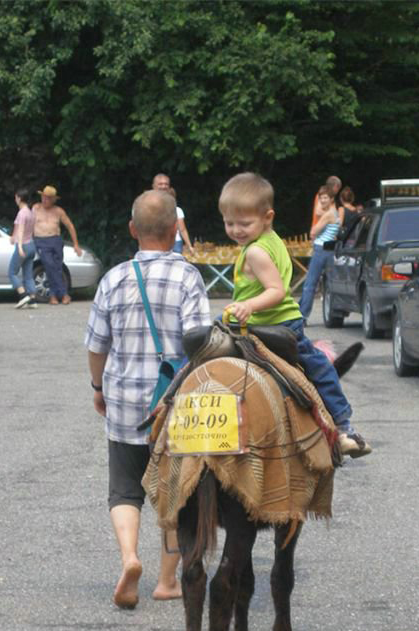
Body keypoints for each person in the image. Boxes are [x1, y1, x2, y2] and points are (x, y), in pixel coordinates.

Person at [84, 189, 211, 609]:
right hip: (174, 403)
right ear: (176, 230)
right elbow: (200, 342)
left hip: (122, 398)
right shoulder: (188, 277)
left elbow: (97, 344)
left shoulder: (114, 278)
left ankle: (129, 558)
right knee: (176, 491)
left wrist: (98, 388)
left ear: (132, 230)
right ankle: (167, 581)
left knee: (124, 490)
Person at [219, 172, 371, 459]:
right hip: (257, 321)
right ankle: (342, 427)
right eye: (229, 223)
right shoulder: (270, 238)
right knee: (320, 370)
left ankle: (342, 427)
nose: (236, 230)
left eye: (244, 223)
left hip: (273, 324)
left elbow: (277, 290)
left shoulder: (255, 253)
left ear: (268, 217)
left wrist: (248, 306)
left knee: (318, 368)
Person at [32, 185, 82, 305]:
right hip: (41, 241)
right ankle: (64, 294)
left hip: (55, 241)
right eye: (44, 197)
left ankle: (54, 296)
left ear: (53, 199)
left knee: (57, 268)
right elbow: (28, 224)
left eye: (48, 198)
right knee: (49, 265)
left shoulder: (58, 211)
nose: (45, 200)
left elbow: (70, 226)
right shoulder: (36, 208)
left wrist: (76, 244)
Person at [299, 185, 341, 321]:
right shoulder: (335, 212)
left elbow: (313, 231)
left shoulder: (328, 215)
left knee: (309, 285)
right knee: (330, 284)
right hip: (330, 250)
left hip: (320, 249)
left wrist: (314, 233)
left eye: (325, 198)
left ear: (331, 199)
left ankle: (302, 315)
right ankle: (333, 313)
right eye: (321, 198)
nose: (322, 201)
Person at [151, 173, 195, 256]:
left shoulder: (177, 210)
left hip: (175, 244)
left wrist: (189, 246)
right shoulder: (147, 207)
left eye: (166, 184)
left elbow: (182, 229)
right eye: (160, 184)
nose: (163, 186)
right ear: (153, 186)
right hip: (153, 243)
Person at [8, 188, 38, 309]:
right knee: (28, 274)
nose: (15, 200)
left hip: (24, 245)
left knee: (12, 272)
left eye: (16, 198)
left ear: (19, 198)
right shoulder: (30, 212)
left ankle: (23, 294)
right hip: (31, 244)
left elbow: (20, 231)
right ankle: (33, 299)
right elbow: (29, 230)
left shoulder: (21, 213)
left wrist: (19, 246)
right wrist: (13, 236)